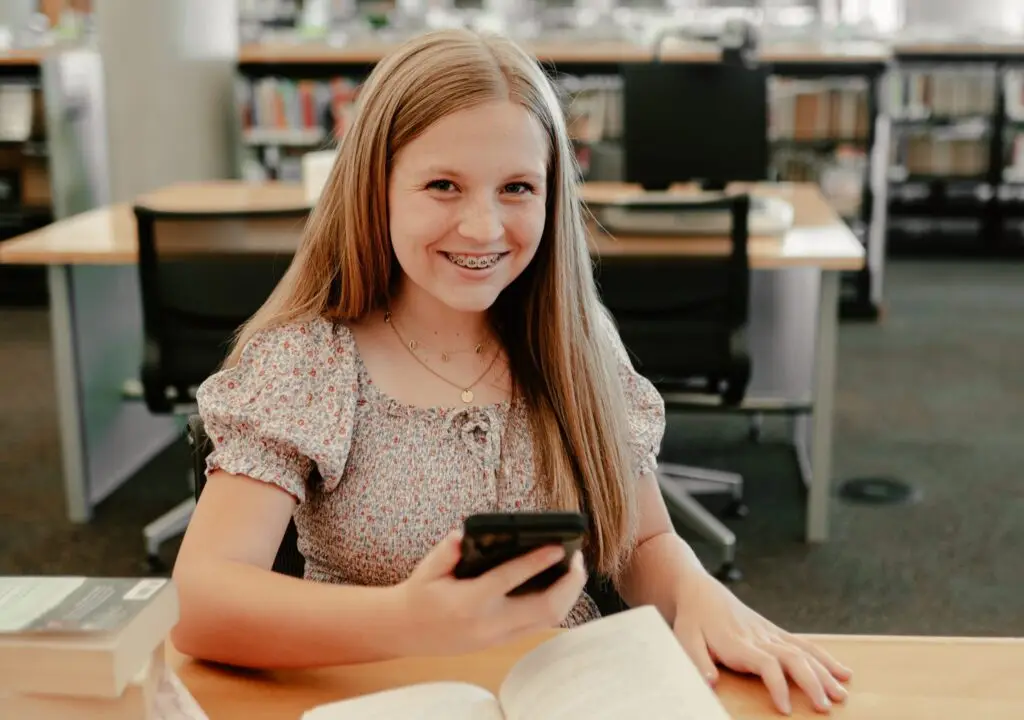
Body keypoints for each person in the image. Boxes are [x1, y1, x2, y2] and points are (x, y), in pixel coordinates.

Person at [170, 28, 850, 716]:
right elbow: (202, 601)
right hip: (379, 694)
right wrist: (412, 619)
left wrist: (699, 589)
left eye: (517, 187)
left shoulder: (576, 344)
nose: (483, 227)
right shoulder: (313, 358)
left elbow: (643, 539)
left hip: (564, 693)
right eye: (443, 185)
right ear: (376, 189)